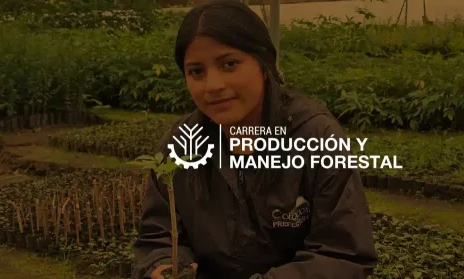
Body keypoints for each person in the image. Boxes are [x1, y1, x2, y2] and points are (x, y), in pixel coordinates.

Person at [130, 1, 378, 279]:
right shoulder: (180, 145)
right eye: (196, 71)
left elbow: (342, 254)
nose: (213, 85)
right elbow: (158, 236)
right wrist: (163, 265)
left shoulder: (315, 137)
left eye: (229, 64)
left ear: (263, 63)